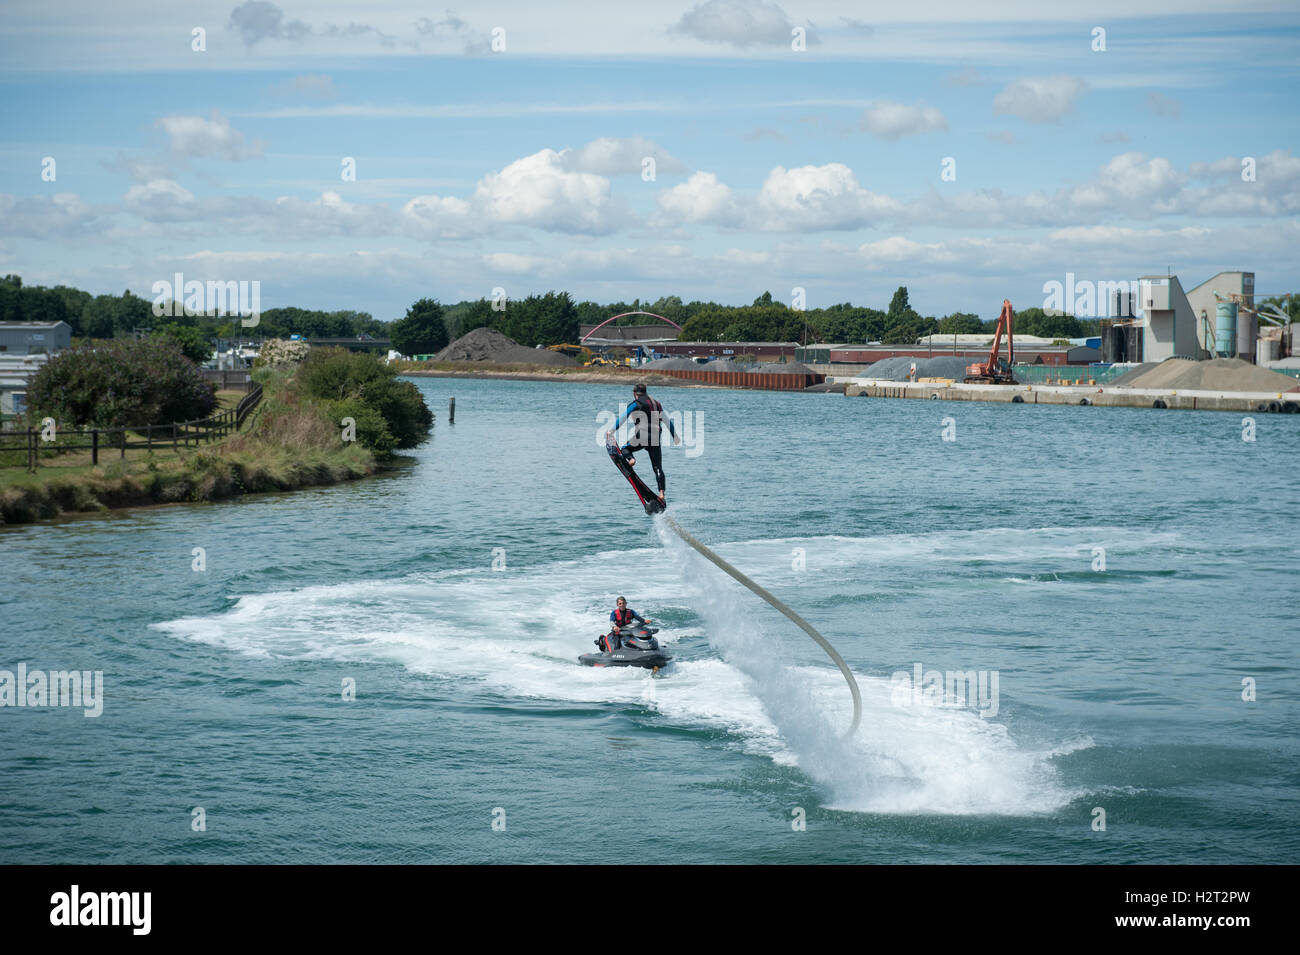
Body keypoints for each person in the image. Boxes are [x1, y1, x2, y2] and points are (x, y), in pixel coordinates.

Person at [608, 382, 681, 505]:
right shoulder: (657, 404)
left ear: (635, 393)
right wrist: (675, 436)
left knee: (625, 449)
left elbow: (623, 417)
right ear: (646, 392)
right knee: (658, 467)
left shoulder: (636, 403)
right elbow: (667, 421)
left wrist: (611, 431)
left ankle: (631, 460)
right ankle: (662, 494)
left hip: (642, 435)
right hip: (656, 437)